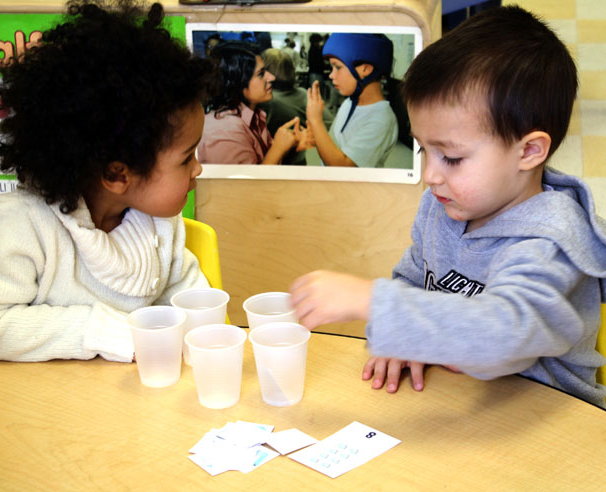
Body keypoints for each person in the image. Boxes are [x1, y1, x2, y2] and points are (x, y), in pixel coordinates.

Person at [290, 6, 606, 407]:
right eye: (425, 150)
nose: (430, 175)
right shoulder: (445, 205)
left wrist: (373, 302)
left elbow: (503, 336)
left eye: (452, 158)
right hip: (461, 404)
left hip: (552, 419)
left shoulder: (551, 242)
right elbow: (412, 279)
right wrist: (402, 339)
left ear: (528, 151)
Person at [0, 0, 214, 362]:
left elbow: (190, 303)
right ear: (117, 174)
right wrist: (102, 331)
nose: (197, 169)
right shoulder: (16, 226)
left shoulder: (160, 229)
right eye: (187, 158)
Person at [197, 40, 311, 165]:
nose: (272, 77)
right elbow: (246, 184)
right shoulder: (226, 132)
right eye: (261, 74)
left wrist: (291, 143)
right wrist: (278, 149)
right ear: (239, 83)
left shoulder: (254, 116)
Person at [306, 33, 399, 168]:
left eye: (337, 67)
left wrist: (316, 121)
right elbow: (336, 143)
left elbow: (342, 167)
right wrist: (318, 137)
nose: (331, 75)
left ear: (365, 69)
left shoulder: (381, 119)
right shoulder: (349, 102)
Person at [259, 48, 333, 165]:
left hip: (278, 162)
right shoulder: (303, 93)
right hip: (300, 159)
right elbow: (329, 123)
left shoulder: (269, 102)